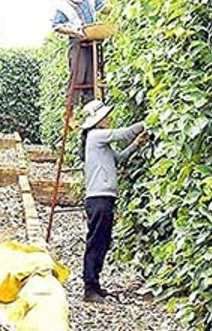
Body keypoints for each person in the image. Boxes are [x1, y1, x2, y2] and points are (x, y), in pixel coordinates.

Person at [79, 99, 149, 303]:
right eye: (105, 116)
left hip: (104, 198)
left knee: (102, 241)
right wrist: (150, 120)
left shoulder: (100, 143)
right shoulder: (96, 136)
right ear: (97, 120)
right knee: (96, 242)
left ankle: (95, 286)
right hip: (98, 198)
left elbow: (119, 159)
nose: (108, 118)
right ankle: (89, 288)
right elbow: (124, 133)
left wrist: (137, 145)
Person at [52, 0, 113, 103]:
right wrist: (74, 32)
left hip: (93, 39)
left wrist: (113, 7)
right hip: (77, 42)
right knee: (78, 75)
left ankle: (91, 111)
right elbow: (57, 26)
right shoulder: (64, 3)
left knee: (92, 77)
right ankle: (71, 110)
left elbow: (102, 8)